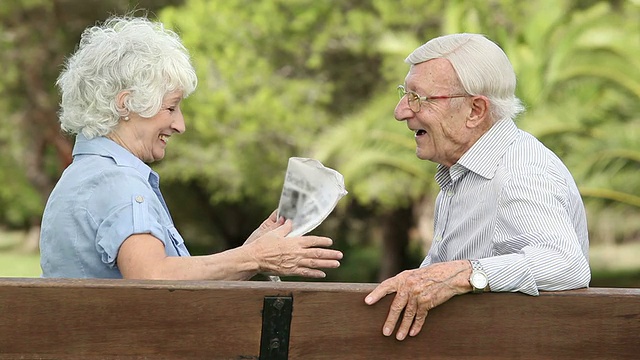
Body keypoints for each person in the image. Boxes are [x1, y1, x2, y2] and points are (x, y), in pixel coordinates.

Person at [39, 15, 343, 280]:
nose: (180, 125)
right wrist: (255, 257)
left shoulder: (77, 178)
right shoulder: (118, 181)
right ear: (126, 104)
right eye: (171, 108)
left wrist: (251, 251)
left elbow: (172, 283)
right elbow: (153, 277)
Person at [364, 33, 590, 340]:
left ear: (475, 111)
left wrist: (463, 274)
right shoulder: (462, 172)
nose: (401, 111)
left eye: (419, 98)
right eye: (406, 94)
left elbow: (566, 263)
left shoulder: (520, 170)